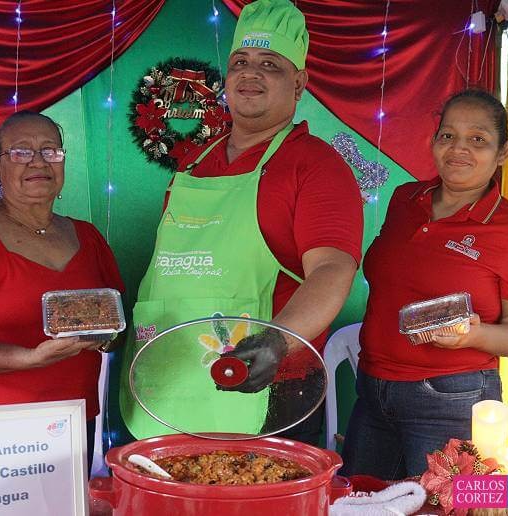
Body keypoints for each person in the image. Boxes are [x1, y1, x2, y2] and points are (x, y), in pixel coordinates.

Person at [119, 0, 363, 444]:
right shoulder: (194, 164)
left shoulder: (316, 165)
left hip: (267, 382)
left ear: (299, 83)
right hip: (171, 379)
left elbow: (332, 269)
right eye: (240, 62)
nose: (251, 73)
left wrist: (279, 340)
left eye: (270, 64)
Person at [340, 89, 508, 479]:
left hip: (451, 399)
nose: (459, 149)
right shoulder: (405, 199)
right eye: (448, 135)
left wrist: (473, 335)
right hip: (372, 390)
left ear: (503, 151)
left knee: (444, 504)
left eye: (478, 139)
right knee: (362, 500)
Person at [0, 111, 124, 465]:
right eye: (20, 152)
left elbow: (116, 327)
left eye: (50, 151)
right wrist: (30, 358)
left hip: (75, 422)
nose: (39, 161)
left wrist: (103, 337)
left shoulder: (88, 236)